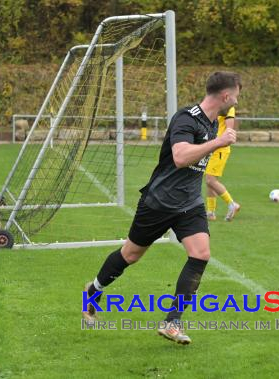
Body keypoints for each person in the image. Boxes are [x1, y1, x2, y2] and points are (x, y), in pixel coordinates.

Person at [83, 71, 242, 345]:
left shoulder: (214, 121)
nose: (237, 101)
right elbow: (180, 157)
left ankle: (172, 322)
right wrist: (217, 142)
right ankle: (93, 290)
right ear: (226, 95)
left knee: (201, 254)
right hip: (160, 202)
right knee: (131, 255)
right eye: (236, 95)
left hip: (189, 204)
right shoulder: (186, 118)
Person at [205, 106, 240, 221]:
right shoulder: (217, 105)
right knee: (209, 181)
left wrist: (221, 143)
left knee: (210, 180)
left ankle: (232, 204)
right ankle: (210, 212)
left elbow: (229, 130)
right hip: (212, 146)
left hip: (219, 148)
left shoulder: (229, 108)